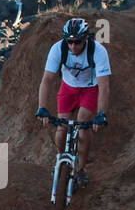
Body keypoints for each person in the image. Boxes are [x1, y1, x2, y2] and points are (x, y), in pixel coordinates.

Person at [35, 16, 110, 186]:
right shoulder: (58, 49)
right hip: (68, 87)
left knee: (83, 123)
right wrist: (42, 107)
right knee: (62, 127)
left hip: (90, 88)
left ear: (85, 38)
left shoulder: (98, 51)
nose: (72, 46)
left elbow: (104, 85)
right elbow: (46, 80)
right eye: (69, 42)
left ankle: (81, 169)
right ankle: (61, 159)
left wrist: (101, 114)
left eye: (77, 42)